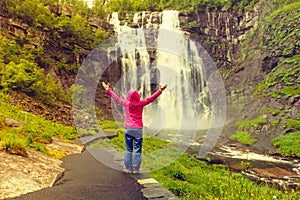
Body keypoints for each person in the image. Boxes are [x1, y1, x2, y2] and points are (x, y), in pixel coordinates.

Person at [102, 82, 167, 173]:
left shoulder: (126, 104)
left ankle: (128, 167)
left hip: (128, 129)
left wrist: (108, 90)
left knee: (128, 148)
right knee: (137, 149)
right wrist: (160, 90)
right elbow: (151, 99)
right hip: (138, 129)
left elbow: (116, 98)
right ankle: (136, 168)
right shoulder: (141, 103)